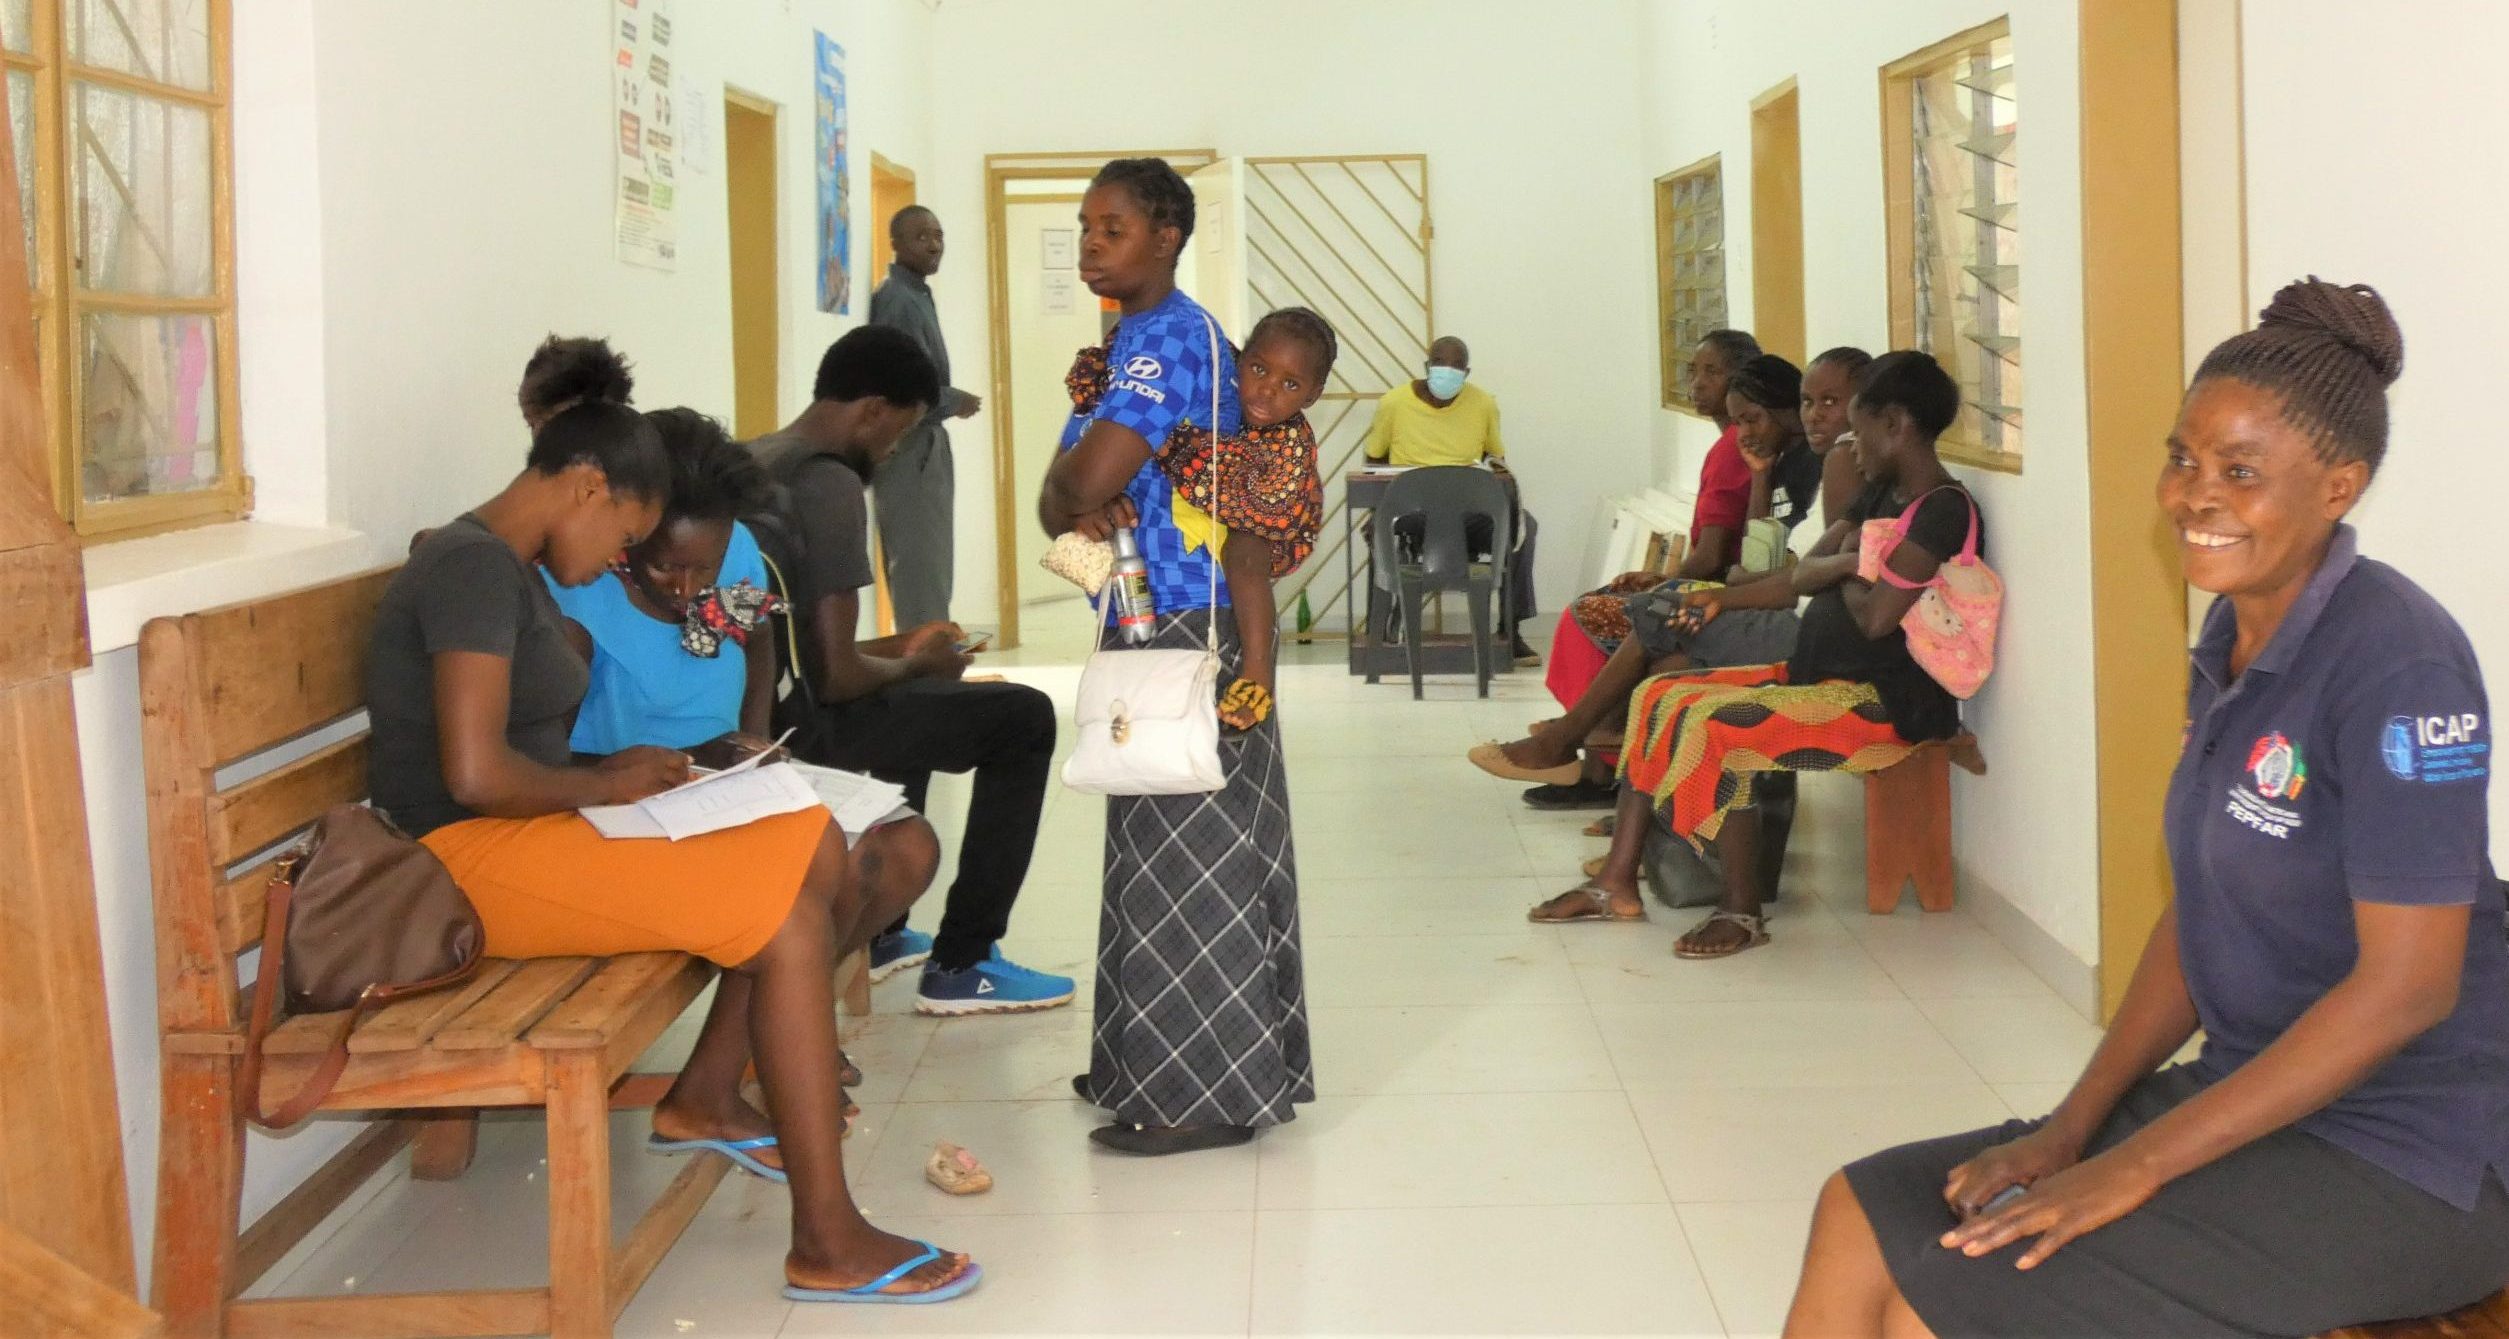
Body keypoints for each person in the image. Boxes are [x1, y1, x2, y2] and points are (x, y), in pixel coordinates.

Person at [1792, 280, 2509, 1339]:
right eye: (2183, 457)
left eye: (2239, 473)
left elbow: (2406, 990)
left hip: (2415, 1149)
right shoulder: (2228, 642)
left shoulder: (2398, 662)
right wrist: (2070, 1129)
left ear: (2338, 486)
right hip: (2257, 1091)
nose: (2192, 495)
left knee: (1948, 1302)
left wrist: (2127, 1168)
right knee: (1863, 1208)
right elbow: (2201, 909)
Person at [368, 401, 976, 1303]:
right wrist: (606, 786)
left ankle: (720, 1109)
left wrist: (610, 768)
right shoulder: (471, 569)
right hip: (464, 861)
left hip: (515, 831)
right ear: (587, 487)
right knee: (789, 906)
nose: (623, 550)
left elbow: (507, 751)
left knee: (802, 840)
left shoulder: (493, 566)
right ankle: (826, 1233)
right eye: (626, 524)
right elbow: (473, 774)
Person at [1527, 351, 1984, 960]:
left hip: (1884, 703)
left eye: (1857, 428)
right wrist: (1739, 594)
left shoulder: (1942, 509)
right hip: (1821, 677)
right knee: (1660, 694)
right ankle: (1615, 884)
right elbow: (1803, 574)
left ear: (1895, 424)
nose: (1851, 446)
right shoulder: (1879, 494)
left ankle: (1741, 912)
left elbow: (1876, 618)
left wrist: (1847, 565)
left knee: (1719, 725)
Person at [1039, 157, 1313, 1155]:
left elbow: (1087, 476)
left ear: (1165, 237)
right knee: (1148, 843)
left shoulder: (1163, 341)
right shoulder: (1129, 342)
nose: (1089, 246)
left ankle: (1201, 1092)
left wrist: (1076, 486)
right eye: (1083, 228)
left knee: (1190, 854)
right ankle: (1138, 1062)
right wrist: (1071, 490)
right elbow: (1057, 505)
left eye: (1110, 229)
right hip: (1140, 606)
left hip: (1190, 621)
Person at [748, 326, 1072, 1015]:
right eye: (899, 432)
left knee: (917, 696)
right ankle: (964, 959)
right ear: (870, 410)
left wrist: (903, 651)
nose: (894, 449)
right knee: (1023, 716)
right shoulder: (830, 483)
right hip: (805, 731)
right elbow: (837, 677)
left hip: (756, 716)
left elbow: (803, 641)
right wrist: (915, 661)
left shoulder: (754, 459)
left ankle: (887, 928)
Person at [1064, 306, 1335, 730]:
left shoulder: (1288, 444)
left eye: (1289, 384)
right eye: (1259, 369)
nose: (1266, 391)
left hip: (1275, 524)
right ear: (1239, 361)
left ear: (1312, 395)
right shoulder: (1213, 385)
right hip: (1199, 528)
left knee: (1245, 554)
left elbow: (1266, 504)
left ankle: (1258, 673)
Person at [1363, 334, 1542, 664]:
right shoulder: (1394, 403)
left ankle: (1510, 631)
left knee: (1523, 527)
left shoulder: (1483, 403)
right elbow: (1374, 460)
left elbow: (1495, 460)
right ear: (1426, 366)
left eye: (1456, 367)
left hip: (1469, 514)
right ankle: (1381, 630)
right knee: (1379, 529)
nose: (1447, 372)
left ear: (1467, 372)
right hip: (1413, 514)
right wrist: (1379, 509)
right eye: (1440, 364)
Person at [866, 206, 982, 628]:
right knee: (920, 570)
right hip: (910, 445)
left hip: (927, 445)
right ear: (894, 243)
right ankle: (928, 678)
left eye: (939, 235)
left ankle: (934, 664)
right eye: (921, 237)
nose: (934, 245)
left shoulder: (916, 292)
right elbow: (899, 385)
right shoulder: (897, 300)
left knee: (933, 565)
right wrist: (953, 400)